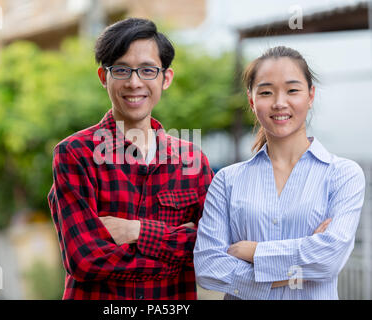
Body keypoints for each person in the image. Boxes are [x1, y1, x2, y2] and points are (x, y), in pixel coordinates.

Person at [48, 18, 213, 300]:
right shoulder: (75, 154)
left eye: (148, 70)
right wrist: (175, 249)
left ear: (166, 78)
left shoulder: (192, 161)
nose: (134, 82)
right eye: (122, 70)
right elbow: (85, 260)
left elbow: (211, 251)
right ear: (104, 77)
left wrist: (135, 230)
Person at [193, 46, 366, 300]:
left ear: (310, 96)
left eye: (292, 90)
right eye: (266, 92)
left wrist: (252, 252)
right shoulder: (227, 181)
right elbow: (208, 267)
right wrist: (293, 270)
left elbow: (329, 258)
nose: (279, 103)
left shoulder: (343, 175)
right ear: (252, 101)